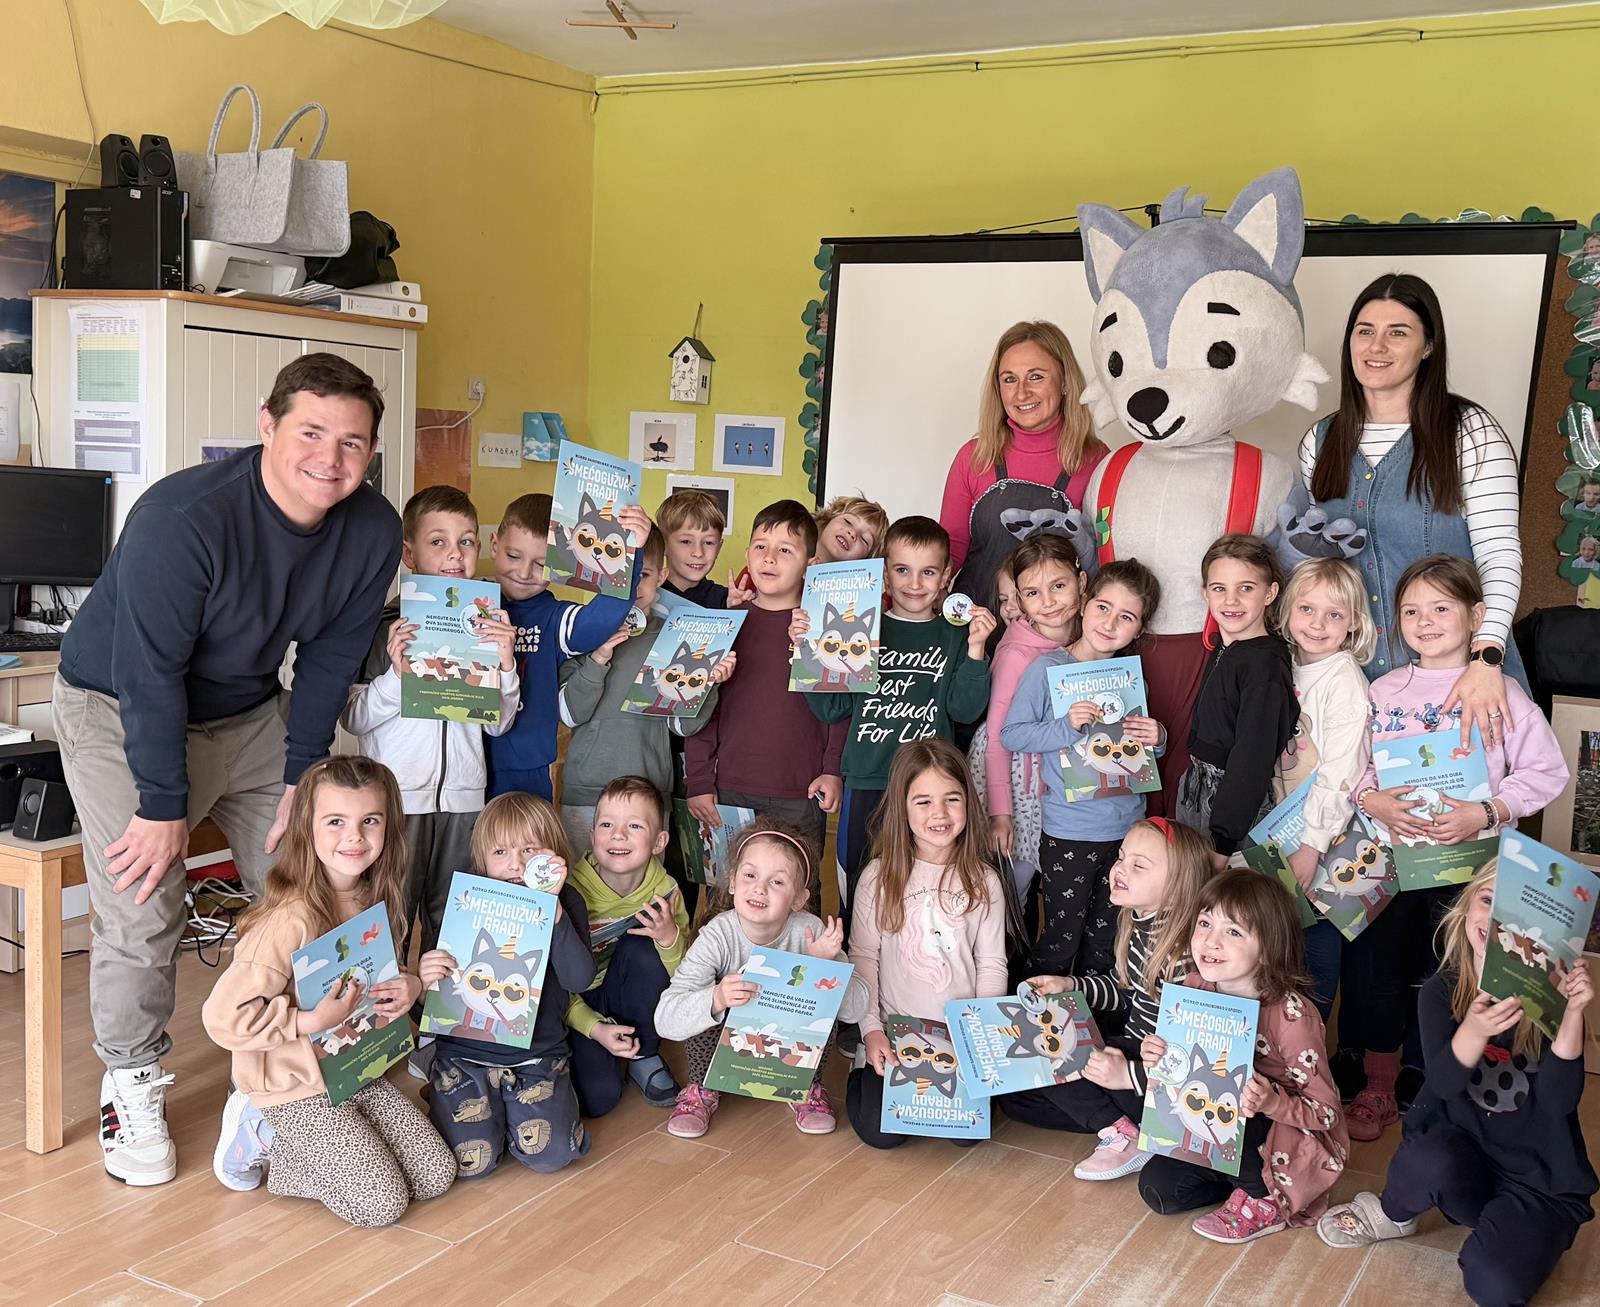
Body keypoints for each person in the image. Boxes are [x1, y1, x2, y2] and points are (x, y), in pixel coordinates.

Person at [54, 352, 401, 1186]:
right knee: (143, 897)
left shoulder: (371, 528)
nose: (330, 458)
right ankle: (130, 1078)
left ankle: (320, 1056)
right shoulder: (183, 519)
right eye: (311, 432)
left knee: (322, 866)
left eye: (352, 443)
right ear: (266, 424)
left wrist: (303, 773)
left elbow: (329, 658)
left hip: (245, 713)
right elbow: (147, 674)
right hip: (117, 705)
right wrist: (162, 803)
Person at [1342, 556, 1568, 1141]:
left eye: (1441, 608)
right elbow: (1356, 769)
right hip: (1393, 866)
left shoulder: (1500, 691)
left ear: (1476, 616)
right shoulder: (1383, 690)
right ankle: (1377, 1085)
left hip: (1472, 874)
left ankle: (1432, 1080)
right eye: (1411, 611)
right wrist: (1373, 800)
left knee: (1450, 975)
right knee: (1381, 972)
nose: (1425, 621)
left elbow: (1547, 772)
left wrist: (1486, 811)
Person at [1317, 864, 1595, 1307]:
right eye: (1487, 900)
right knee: (1424, 1157)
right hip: (1464, 1159)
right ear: (1465, 909)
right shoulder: (1441, 990)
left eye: (1516, 912)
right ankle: (1394, 1214)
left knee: (1495, 1285)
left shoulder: (1550, 1002)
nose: (1497, 920)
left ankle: (1525, 1233)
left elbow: (1559, 1102)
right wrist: (1474, 1030)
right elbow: (1444, 1084)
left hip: (1538, 1180)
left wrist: (1571, 1016)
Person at [200, 757, 456, 1225]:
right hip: (294, 1087)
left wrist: (411, 983)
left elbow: (376, 973)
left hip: (354, 1071)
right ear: (307, 827)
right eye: (336, 821)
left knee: (436, 1174)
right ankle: (264, 1132)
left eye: (369, 821)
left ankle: (331, 1143)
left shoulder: (374, 894)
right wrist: (308, 1021)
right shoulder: (288, 918)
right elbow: (223, 1017)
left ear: (389, 827)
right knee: (380, 1203)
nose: (354, 836)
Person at [1301, 273, 1527, 741]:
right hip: (1352, 685)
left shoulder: (1471, 432)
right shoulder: (1319, 441)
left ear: (1428, 347)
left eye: (1398, 332)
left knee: (1464, 788)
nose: (1376, 346)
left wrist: (1487, 659)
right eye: (1364, 331)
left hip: (1457, 678)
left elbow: (1499, 554)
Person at [342, 485, 519, 977]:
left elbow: (500, 723)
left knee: (454, 925)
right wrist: (396, 678)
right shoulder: (384, 627)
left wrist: (505, 665)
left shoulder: (488, 625)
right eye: (437, 542)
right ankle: (387, 1015)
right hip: (399, 800)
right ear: (409, 553)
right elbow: (353, 718)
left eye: (466, 541)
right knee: (389, 917)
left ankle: (441, 1019)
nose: (454, 555)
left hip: (464, 800)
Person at [1137, 870, 1349, 1244]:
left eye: (1233, 932)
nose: (1211, 941)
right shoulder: (1196, 987)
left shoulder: (1291, 1018)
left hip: (1282, 1132)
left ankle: (1265, 1199)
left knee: (1237, 1098)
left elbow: (1327, 1114)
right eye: (1205, 923)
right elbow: (1179, 1073)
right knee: (1159, 1189)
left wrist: (1272, 1102)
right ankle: (1239, 1182)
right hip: (1212, 1124)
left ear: (1267, 947)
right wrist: (1158, 1053)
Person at [998, 816, 1212, 1179]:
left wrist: (1129, 1074)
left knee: (1048, 1049)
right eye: (1121, 857)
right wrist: (1071, 986)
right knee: (1016, 1101)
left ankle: (1121, 1130)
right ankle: (1127, 1124)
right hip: (1132, 1058)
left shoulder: (1184, 955)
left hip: (1160, 1077)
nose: (1120, 869)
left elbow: (1194, 1059)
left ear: (1178, 885)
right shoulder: (1135, 923)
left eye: (1139, 866)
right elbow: (1123, 988)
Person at [796, 516, 993, 899]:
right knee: (859, 888)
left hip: (930, 789)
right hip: (868, 782)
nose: (914, 583)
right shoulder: (862, 629)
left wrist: (975, 649)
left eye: (928, 572)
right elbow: (831, 709)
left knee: (925, 893)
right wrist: (809, 652)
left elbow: (965, 711)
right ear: (885, 575)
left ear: (946, 576)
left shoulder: (956, 635)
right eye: (902, 570)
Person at [416, 791, 596, 1178]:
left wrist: (555, 912)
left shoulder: (567, 902)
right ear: (481, 860)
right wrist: (425, 973)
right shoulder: (465, 903)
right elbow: (437, 997)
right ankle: (461, 1096)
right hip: (464, 1056)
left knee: (551, 1156)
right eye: (501, 852)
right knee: (472, 1165)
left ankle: (508, 1110)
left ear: (554, 853)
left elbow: (579, 979)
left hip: (537, 1055)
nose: (516, 864)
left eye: (529, 850)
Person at [655, 819, 869, 1138]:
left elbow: (856, 1009)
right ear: (732, 882)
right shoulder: (717, 935)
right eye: (750, 875)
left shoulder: (810, 932)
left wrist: (825, 966)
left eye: (777, 882)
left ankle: (804, 1086)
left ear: (799, 899)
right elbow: (665, 1019)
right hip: (725, 1050)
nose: (760, 888)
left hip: (788, 1051)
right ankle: (701, 1088)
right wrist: (716, 998)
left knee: (821, 1000)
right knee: (705, 1002)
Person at [1000, 560, 1165, 975]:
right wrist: (1065, 727)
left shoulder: (1133, 680)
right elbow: (1013, 735)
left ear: (1139, 629)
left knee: (1106, 945)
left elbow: (1138, 755)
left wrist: (1158, 737)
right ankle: (1039, 1010)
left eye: (1126, 617)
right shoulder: (1047, 670)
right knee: (1060, 939)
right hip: (1069, 832)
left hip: (1126, 834)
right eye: (1103, 608)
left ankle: (1097, 1015)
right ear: (1085, 603)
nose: (1110, 623)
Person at [844, 740, 1007, 1149]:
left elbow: (991, 963)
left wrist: (979, 1037)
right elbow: (863, 959)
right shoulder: (878, 877)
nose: (940, 813)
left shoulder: (985, 880)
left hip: (958, 1038)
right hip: (894, 1036)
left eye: (952, 799)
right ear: (902, 808)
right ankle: (858, 1071)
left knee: (967, 1138)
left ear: (968, 802)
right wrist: (872, 1032)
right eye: (923, 801)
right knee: (881, 1135)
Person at [685, 500, 846, 910]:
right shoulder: (724, 625)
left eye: (785, 550)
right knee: (727, 901)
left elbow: (839, 707)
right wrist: (699, 781)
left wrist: (832, 769)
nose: (769, 558)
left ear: (810, 564)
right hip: (729, 793)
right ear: (747, 553)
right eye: (760, 546)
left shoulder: (822, 629)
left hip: (801, 793)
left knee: (798, 902)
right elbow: (701, 708)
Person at [556, 525, 733, 858]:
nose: (631, 588)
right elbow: (569, 714)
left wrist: (708, 684)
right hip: (587, 794)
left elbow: (682, 726)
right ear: (600, 576)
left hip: (651, 795)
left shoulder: (673, 639)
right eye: (622, 577)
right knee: (582, 883)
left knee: (646, 884)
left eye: (644, 575)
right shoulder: (579, 634)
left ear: (661, 577)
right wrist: (598, 658)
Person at [484, 492, 650, 801]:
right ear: (494, 545)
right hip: (464, 769)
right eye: (514, 556)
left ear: (561, 561)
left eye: (541, 564)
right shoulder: (469, 606)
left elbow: (601, 620)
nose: (524, 573)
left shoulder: (555, 618)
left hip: (528, 770)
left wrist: (631, 551)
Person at [1272, 558, 1378, 1018]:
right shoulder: (1284, 663)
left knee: (1316, 938)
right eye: (1307, 609)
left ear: (1353, 622)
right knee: (1278, 940)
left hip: (1324, 837)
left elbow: (1342, 770)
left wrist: (1312, 843)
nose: (1318, 624)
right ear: (1287, 610)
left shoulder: (1343, 677)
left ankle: (1311, 1041)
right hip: (1279, 827)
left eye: (1334, 614)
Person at [940, 320, 1107, 613]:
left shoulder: (1098, 461)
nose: (1021, 393)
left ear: (1065, 382)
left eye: (1036, 377)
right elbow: (948, 552)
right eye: (1009, 379)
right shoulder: (974, 457)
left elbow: (1103, 562)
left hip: (1055, 632)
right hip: (976, 628)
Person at [565, 777, 691, 1114]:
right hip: (577, 1001)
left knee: (647, 946)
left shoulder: (666, 890)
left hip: (634, 993)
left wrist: (669, 938)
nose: (618, 835)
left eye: (634, 825)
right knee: (596, 1100)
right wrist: (591, 1027)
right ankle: (602, 1047)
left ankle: (644, 1053)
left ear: (659, 841)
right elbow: (551, 982)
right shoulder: (569, 892)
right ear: (592, 836)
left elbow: (685, 978)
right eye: (607, 824)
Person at [1176, 535, 1298, 863]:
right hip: (1199, 790)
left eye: (1246, 588)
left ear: (1270, 593)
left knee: (1226, 894)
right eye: (1219, 588)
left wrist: (1222, 843)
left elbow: (1252, 759)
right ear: (1205, 593)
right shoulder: (1226, 647)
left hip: (1232, 810)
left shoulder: (1265, 666)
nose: (1231, 600)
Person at [985, 535, 1083, 897]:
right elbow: (997, 739)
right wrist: (1000, 813)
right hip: (1018, 781)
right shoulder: (1017, 654)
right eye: (1032, 593)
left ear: (1081, 581)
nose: (1048, 602)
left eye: (1058, 586)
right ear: (1020, 599)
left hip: (1064, 780)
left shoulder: (1092, 636)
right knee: (1015, 883)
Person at [658, 489, 730, 608]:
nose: (698, 553)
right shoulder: (645, 594)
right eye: (686, 541)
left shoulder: (726, 600)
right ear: (663, 545)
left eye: (708, 543)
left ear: (719, 548)